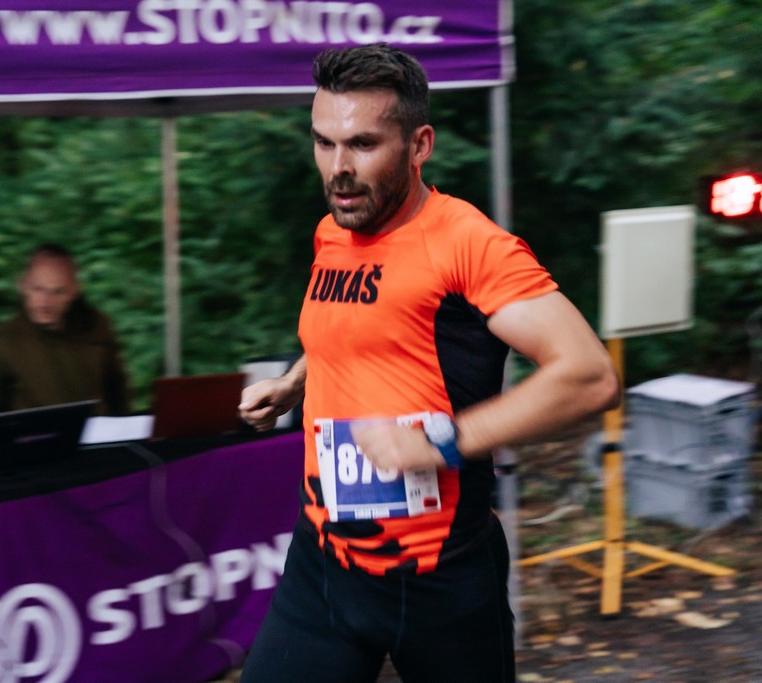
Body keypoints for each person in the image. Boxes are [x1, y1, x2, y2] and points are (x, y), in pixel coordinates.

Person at [238, 44, 620, 682]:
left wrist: (438, 443)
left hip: (440, 575)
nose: (338, 169)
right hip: (325, 559)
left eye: (362, 144)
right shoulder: (334, 230)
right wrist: (295, 381)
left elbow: (589, 375)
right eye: (324, 143)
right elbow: (360, 326)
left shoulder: (469, 245)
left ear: (419, 146)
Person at [0, 243, 131, 432]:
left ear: (74, 292)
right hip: (32, 446)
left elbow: (118, 395)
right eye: (38, 289)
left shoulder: (96, 327)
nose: (45, 302)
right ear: (23, 286)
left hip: (97, 442)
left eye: (57, 292)